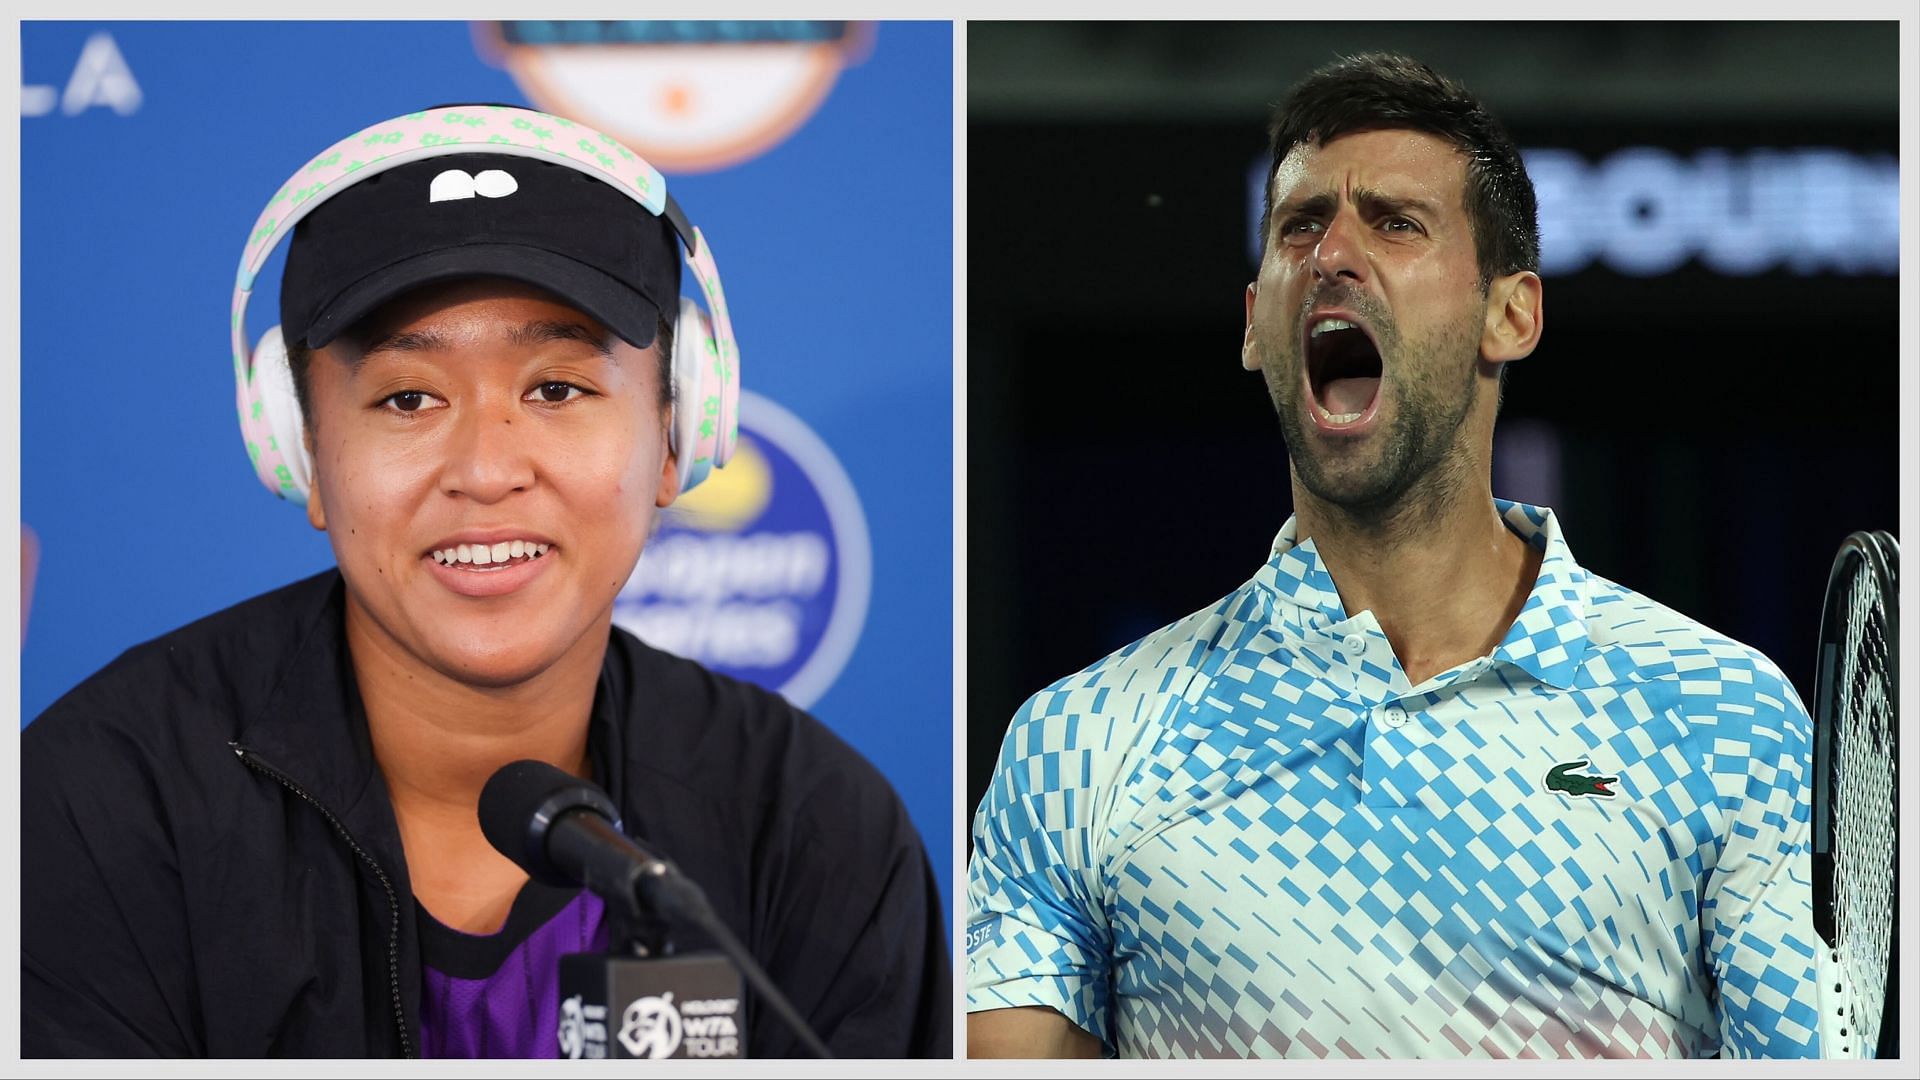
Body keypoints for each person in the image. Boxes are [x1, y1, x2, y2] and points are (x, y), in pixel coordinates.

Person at [22, 104, 950, 1059]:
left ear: (681, 435)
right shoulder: (102, 807)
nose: (487, 467)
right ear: (298, 452)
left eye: (557, 389)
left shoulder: (809, 828)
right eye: (408, 398)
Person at [965, 54, 1824, 1059]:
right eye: (1301, 225)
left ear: (1511, 314)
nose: (1333, 253)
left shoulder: (1722, 714)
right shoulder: (1079, 742)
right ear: (1254, 327)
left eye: (1396, 222)